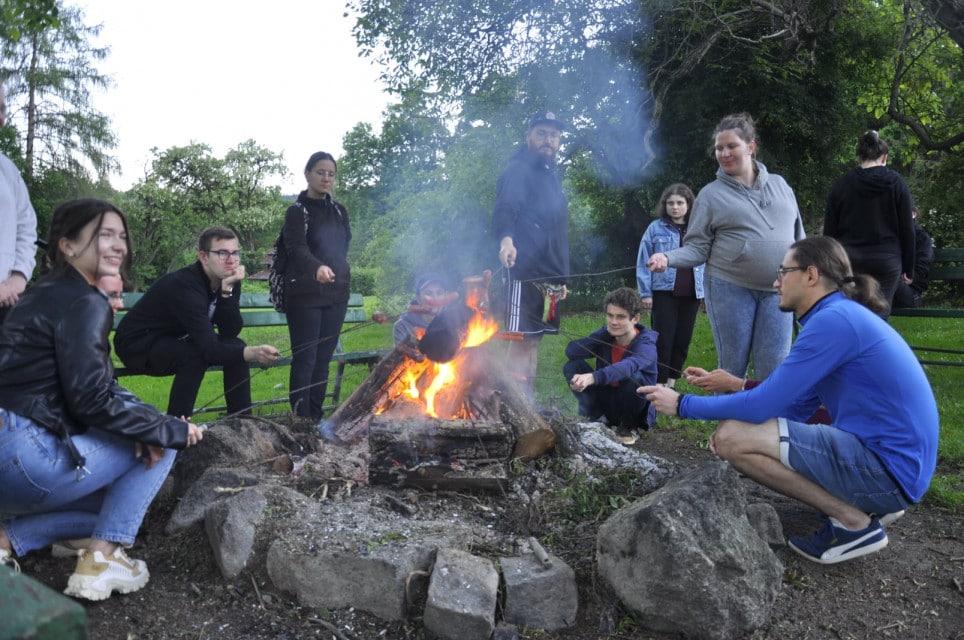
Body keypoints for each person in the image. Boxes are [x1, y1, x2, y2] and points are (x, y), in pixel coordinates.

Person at [640, 236, 938, 565]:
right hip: (897, 468)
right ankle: (868, 504)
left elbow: (761, 406)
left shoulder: (833, 321)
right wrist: (739, 403)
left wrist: (683, 404)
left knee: (732, 439)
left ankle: (853, 523)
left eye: (784, 271)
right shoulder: (837, 316)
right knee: (739, 431)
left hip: (889, 471)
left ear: (811, 275)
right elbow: (794, 407)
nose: (775, 282)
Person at [0, 198, 204, 600]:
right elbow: (91, 400)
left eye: (121, 236)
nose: (118, 246)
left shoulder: (41, 294)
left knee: (112, 507)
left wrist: (147, 420)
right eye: (104, 235)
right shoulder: (85, 302)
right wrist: (165, 428)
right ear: (67, 245)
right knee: (165, 443)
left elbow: (93, 384)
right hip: (21, 456)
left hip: (10, 450)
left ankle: (6, 539)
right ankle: (100, 560)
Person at [647, 113, 805, 381]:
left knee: (776, 370)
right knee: (731, 370)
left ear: (751, 146)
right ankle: (731, 422)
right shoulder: (711, 195)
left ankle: (769, 423)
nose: (724, 153)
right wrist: (667, 256)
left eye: (731, 146)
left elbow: (799, 239)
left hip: (779, 291)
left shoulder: (781, 186)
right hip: (730, 289)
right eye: (719, 148)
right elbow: (697, 247)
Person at [114, 226, 279, 418]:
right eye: (222, 253)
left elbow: (230, 331)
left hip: (177, 339)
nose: (231, 260)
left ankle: (242, 422)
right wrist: (255, 352)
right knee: (195, 355)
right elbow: (209, 349)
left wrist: (227, 292)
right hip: (139, 345)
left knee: (236, 346)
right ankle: (178, 426)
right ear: (203, 257)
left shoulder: (229, 280)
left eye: (235, 253)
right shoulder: (185, 285)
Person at [493, 111, 570, 398]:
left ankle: (528, 403)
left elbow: (558, 231)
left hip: (550, 275)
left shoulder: (550, 175)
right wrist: (506, 241)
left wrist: (563, 277)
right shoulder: (518, 169)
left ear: (559, 140)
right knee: (521, 339)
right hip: (524, 271)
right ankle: (512, 403)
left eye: (553, 135)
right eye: (541, 133)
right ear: (528, 136)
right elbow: (506, 208)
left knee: (535, 342)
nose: (548, 140)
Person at [280, 151, 352, 420]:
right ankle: (301, 420)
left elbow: (345, 244)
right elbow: (295, 248)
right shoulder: (296, 212)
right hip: (305, 295)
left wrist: (335, 269)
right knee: (306, 359)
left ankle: (315, 419)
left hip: (337, 293)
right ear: (308, 174)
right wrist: (317, 267)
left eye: (331, 174)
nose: (326, 178)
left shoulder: (339, 211)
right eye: (320, 172)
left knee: (323, 359)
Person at [823, 130, 915, 318]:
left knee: (852, 315)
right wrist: (908, 267)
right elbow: (908, 229)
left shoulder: (842, 186)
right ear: (885, 158)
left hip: (851, 261)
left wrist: (830, 266)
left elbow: (830, 234)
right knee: (879, 316)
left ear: (859, 156)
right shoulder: (896, 183)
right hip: (886, 261)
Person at [564, 287, 658, 444]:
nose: (614, 322)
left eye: (620, 317)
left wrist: (593, 377)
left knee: (632, 376)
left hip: (634, 403)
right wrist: (603, 335)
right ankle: (599, 419)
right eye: (610, 316)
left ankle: (629, 427)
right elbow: (572, 352)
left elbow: (628, 366)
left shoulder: (646, 344)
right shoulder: (606, 335)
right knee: (572, 366)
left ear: (635, 318)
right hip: (606, 398)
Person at [636, 183, 705, 388]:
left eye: (680, 203)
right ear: (665, 205)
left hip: (692, 293)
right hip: (664, 292)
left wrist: (707, 294)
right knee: (663, 340)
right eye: (670, 203)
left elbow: (707, 260)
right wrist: (645, 293)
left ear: (689, 205)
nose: (675, 207)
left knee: (682, 340)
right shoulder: (655, 228)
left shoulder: (698, 229)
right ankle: (658, 382)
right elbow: (643, 260)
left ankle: (671, 383)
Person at [0, 85, 38, 324]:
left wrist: (18, 276)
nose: (1, 118)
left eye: (2, 109)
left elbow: (26, 227)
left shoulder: (7, 170)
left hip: (5, 303)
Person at [393, 273, 452, 360]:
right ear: (418, 299)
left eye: (439, 293)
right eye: (428, 294)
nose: (435, 298)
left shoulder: (454, 322)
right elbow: (403, 363)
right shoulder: (403, 326)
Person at [892, 203, 934, 309]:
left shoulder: (922, 238)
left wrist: (911, 277)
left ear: (913, 214)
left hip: (911, 293)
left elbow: (923, 268)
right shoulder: (890, 237)